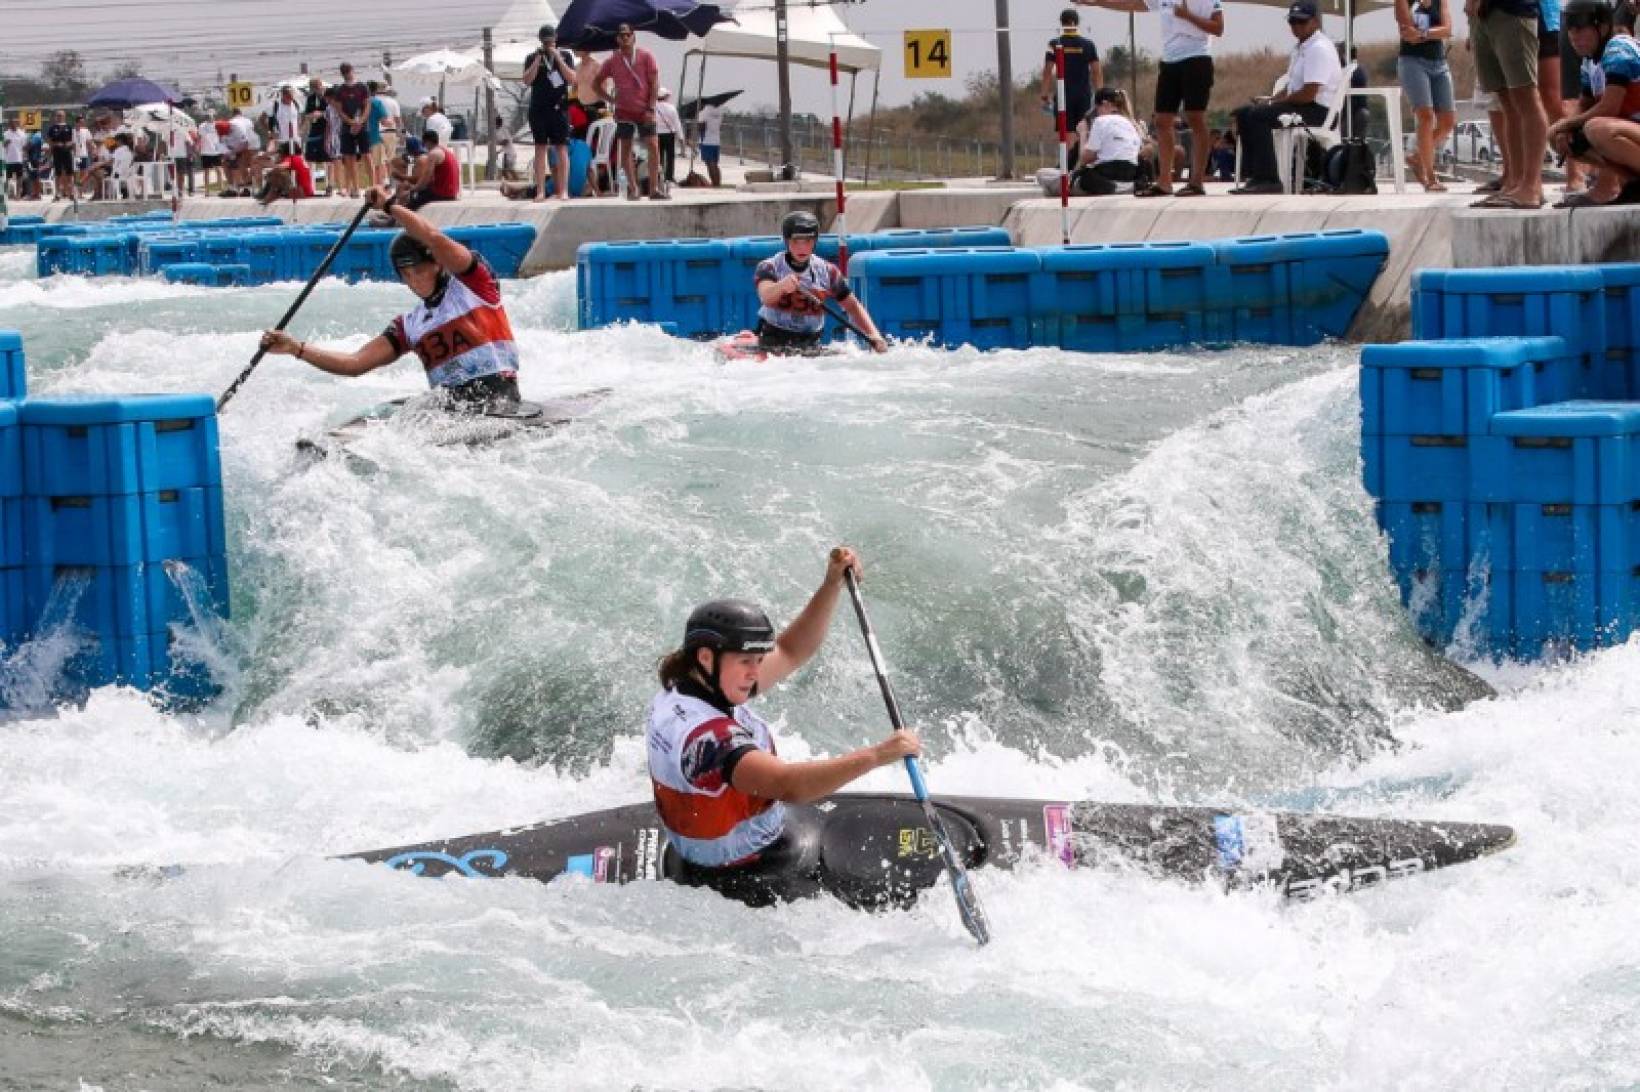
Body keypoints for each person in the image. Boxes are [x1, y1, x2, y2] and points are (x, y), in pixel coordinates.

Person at [645, 551, 922, 871]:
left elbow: (790, 651)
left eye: (759, 661)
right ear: (706, 657)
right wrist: (878, 755)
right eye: (746, 662)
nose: (755, 673)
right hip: (747, 865)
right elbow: (789, 785)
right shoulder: (707, 741)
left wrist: (831, 584)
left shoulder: (685, 687)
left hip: (718, 843)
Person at [258, 186, 522, 406]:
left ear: (437, 264)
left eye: (419, 270)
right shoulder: (409, 325)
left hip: (500, 400)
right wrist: (297, 349)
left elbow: (433, 237)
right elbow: (355, 363)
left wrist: (390, 206)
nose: (414, 280)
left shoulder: (475, 284)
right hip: (451, 410)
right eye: (406, 274)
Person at [1082, 0, 1223, 196]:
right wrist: (1098, 2)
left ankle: (1197, 181)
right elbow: (1133, 4)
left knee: (1195, 118)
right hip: (1170, 61)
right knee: (1162, 120)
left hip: (1197, 58)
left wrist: (1188, 16)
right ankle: (1164, 181)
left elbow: (1218, 28)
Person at [1230, 0, 1342, 194]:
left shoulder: (1319, 49)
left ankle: (1269, 179)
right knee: (1244, 113)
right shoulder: (1301, 48)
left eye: (1302, 21)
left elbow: (1308, 93)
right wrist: (1271, 100)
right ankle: (1255, 175)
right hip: (1303, 106)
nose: (1296, 26)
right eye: (1292, 22)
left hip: (1318, 111)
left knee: (1258, 116)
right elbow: (1291, 87)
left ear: (1315, 22)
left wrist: (1279, 102)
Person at [754, 211, 887, 354]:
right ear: (786, 241)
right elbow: (765, 297)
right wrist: (781, 286)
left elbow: (853, 306)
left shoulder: (828, 272)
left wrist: (874, 335)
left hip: (810, 343)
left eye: (808, 241)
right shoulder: (769, 267)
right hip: (773, 340)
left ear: (815, 241)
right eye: (796, 241)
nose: (802, 248)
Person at [1551, 0, 1640, 204]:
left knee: (1597, 129)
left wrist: (1567, 124)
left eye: (1581, 29)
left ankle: (1607, 187)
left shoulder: (1619, 49)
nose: (1575, 37)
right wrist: (1565, 129)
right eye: (1571, 30)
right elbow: (1585, 104)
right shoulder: (1589, 62)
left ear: (1603, 28)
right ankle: (1632, 182)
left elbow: (1610, 108)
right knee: (1557, 136)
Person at [1468, 0, 1548, 207]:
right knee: (1506, 102)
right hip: (1481, 15)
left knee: (1525, 97)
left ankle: (1532, 186)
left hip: (1512, 10)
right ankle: (1515, 182)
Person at [597, 23, 667, 200]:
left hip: (645, 109)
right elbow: (596, 83)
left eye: (628, 35)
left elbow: (654, 83)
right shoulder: (612, 61)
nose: (625, 38)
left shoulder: (646, 56)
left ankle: (653, 188)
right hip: (624, 111)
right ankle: (633, 188)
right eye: (622, 35)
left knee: (653, 145)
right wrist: (611, 100)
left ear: (634, 37)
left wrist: (651, 107)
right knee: (626, 148)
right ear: (617, 39)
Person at [1397, 0, 1457, 191]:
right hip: (1412, 61)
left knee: (1448, 122)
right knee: (1426, 116)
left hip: (1439, 63)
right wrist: (1432, 32)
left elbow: (1447, 29)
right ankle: (1430, 177)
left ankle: (1417, 157)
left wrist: (1423, 33)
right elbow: (1408, 34)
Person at [1041, 8, 1104, 161]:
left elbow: (1048, 70)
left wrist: (1044, 93)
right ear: (1077, 23)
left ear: (1061, 23)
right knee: (1083, 130)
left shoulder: (1055, 43)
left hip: (1064, 94)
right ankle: (1079, 163)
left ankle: (1068, 163)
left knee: (1066, 130)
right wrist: (1101, 95)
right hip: (1083, 94)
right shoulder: (1088, 44)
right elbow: (1096, 71)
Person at [524, 23, 577, 201]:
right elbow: (527, 80)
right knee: (540, 148)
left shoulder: (566, 56)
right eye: (545, 42)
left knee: (561, 147)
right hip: (539, 109)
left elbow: (572, 78)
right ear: (541, 41)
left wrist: (558, 58)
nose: (548, 45)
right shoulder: (532, 57)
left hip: (559, 109)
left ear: (556, 40)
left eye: (551, 42)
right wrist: (537, 61)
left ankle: (563, 190)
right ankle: (540, 190)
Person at [1071, 88, 1144, 194]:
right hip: (1130, 172)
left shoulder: (1100, 121)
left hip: (1108, 171)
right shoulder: (1131, 123)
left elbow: (1085, 159)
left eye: (1096, 109)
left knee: (1083, 175)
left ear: (1105, 104)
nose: (1096, 114)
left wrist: (1083, 133)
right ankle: (1130, 185)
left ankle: (1113, 187)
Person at [397, 129, 460, 211]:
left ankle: (398, 215)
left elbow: (426, 178)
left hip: (442, 193)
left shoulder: (433, 154)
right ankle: (398, 212)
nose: (425, 147)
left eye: (424, 144)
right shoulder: (445, 151)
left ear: (427, 142)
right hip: (452, 191)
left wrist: (412, 189)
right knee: (413, 191)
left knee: (412, 203)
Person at [335, 62, 371, 198]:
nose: (346, 74)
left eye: (348, 71)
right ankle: (355, 188)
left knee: (367, 155)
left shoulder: (362, 87)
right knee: (349, 158)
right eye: (344, 72)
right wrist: (351, 122)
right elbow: (339, 110)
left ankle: (373, 186)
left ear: (352, 70)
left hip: (362, 125)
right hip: (347, 127)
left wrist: (360, 121)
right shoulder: (340, 90)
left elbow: (367, 106)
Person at [655, 87, 684, 191]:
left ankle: (659, 176)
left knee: (658, 157)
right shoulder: (671, 108)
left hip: (656, 134)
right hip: (669, 134)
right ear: (666, 96)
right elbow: (677, 124)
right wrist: (681, 138)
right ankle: (669, 177)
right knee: (670, 157)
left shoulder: (653, 107)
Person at [366, 81, 391, 185]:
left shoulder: (361, 102)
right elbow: (384, 121)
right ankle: (379, 185)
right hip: (374, 136)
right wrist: (391, 123)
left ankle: (372, 184)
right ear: (376, 90)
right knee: (378, 164)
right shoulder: (377, 102)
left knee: (368, 164)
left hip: (362, 137)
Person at [45, 111, 74, 200]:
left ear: (64, 116)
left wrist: (69, 144)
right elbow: (49, 140)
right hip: (57, 152)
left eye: (61, 115)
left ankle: (71, 192)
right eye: (58, 116)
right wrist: (55, 144)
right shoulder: (52, 128)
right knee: (58, 173)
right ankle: (58, 193)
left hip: (67, 152)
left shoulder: (69, 127)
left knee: (69, 173)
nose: (59, 117)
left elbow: (73, 140)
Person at [697, 98, 724, 186]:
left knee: (709, 163)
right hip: (716, 141)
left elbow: (701, 127)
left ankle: (714, 183)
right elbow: (720, 126)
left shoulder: (703, 112)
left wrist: (698, 124)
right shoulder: (719, 111)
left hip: (706, 141)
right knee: (715, 163)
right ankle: (717, 182)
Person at [2, 118, 26, 198]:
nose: (13, 125)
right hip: (8, 159)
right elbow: (2, 146)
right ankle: (5, 194)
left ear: (17, 124)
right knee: (6, 178)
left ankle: (18, 194)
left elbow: (24, 146)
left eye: (15, 123)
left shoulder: (22, 134)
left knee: (19, 177)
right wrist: (5, 143)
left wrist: (24, 156)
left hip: (18, 159)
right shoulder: (5, 134)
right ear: (9, 124)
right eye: (11, 123)